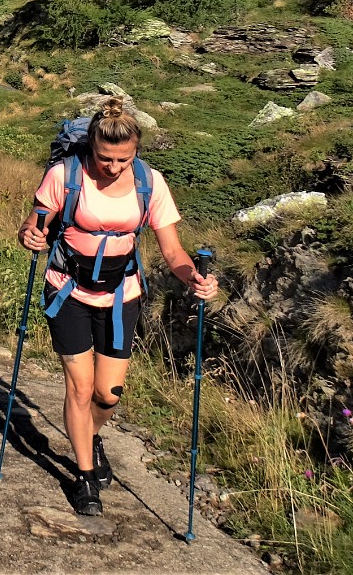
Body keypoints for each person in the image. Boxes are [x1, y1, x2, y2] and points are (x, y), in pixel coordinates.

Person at [17, 97, 217, 517]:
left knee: (108, 395)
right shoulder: (64, 175)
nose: (113, 167)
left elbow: (174, 251)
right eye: (106, 158)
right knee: (81, 386)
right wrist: (30, 236)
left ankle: (90, 436)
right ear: (91, 148)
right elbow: (34, 224)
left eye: (123, 160)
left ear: (135, 153)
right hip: (67, 291)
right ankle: (84, 476)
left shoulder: (150, 182)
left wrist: (194, 278)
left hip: (121, 294)